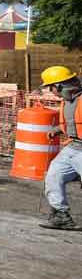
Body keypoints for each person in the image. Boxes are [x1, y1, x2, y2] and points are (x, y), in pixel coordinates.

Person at [40, 66, 82, 229]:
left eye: (50, 88)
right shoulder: (68, 101)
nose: (50, 92)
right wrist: (57, 130)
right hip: (73, 147)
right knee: (54, 175)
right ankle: (60, 215)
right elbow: (74, 123)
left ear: (59, 86)